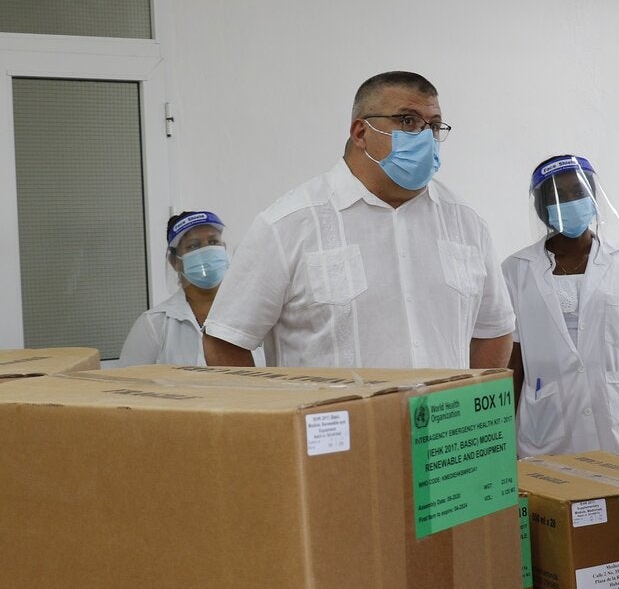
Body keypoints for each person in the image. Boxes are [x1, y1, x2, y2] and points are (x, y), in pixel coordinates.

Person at [203, 71, 514, 369]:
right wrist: (273, 419)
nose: (425, 137)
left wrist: (472, 414)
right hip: (336, 424)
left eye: (433, 126)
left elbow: (495, 329)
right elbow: (226, 340)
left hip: (443, 424)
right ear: (361, 132)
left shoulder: (465, 222)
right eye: (408, 121)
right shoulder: (287, 225)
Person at [502, 155, 619, 456]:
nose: (572, 201)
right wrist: (501, 433)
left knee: (609, 495)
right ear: (543, 208)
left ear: (593, 197)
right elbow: (516, 358)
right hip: (544, 426)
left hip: (608, 421)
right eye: (559, 196)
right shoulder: (517, 269)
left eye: (578, 192)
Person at [117, 210, 262, 366]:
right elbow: (126, 382)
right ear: (175, 262)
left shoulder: (254, 313)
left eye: (213, 242)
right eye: (193, 246)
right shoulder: (155, 324)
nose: (206, 251)